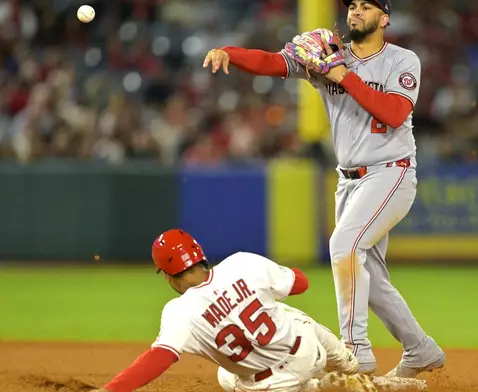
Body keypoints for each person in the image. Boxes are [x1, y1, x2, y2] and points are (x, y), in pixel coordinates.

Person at [202, 0, 445, 378]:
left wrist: (344, 75)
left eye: (366, 6)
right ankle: (420, 349)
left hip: (390, 172)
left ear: (384, 19)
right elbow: (271, 62)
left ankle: (356, 352)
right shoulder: (324, 55)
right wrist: (229, 53)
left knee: (343, 247)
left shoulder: (402, 60)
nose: (355, 12)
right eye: (352, 5)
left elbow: (395, 113)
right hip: (348, 179)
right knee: (371, 279)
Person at [89, 228, 359, 392]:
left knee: (226, 376)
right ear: (200, 256)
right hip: (310, 348)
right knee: (288, 313)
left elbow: (159, 358)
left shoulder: (179, 312)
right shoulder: (243, 262)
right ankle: (350, 365)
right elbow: (301, 283)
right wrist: (269, 276)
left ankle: (316, 386)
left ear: (168, 275)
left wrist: (112, 389)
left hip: (274, 384)